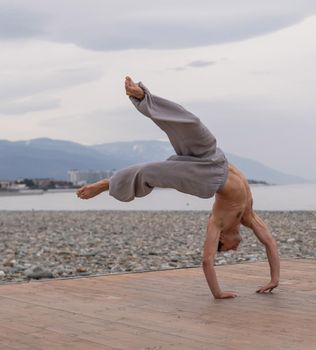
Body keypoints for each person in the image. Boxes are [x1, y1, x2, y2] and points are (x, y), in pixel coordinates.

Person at [76, 77, 280, 299]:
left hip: (209, 170)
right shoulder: (243, 217)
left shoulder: (222, 221)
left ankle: (140, 102)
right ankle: (140, 103)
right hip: (211, 168)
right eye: (230, 249)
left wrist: (271, 280)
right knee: (174, 145)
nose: (234, 249)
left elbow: (209, 259)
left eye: (229, 249)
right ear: (222, 238)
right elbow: (268, 242)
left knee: (172, 148)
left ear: (222, 238)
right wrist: (223, 292)